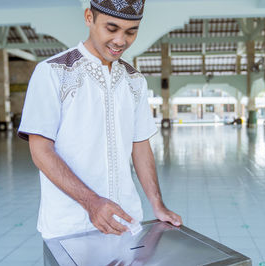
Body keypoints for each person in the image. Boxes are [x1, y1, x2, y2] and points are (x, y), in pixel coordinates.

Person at [18, 0, 182, 239]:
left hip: (126, 221)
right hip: (70, 226)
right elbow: (41, 151)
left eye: (131, 31)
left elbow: (140, 145)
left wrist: (157, 204)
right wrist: (92, 203)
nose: (120, 41)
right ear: (88, 18)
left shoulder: (134, 81)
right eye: (111, 28)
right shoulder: (52, 72)